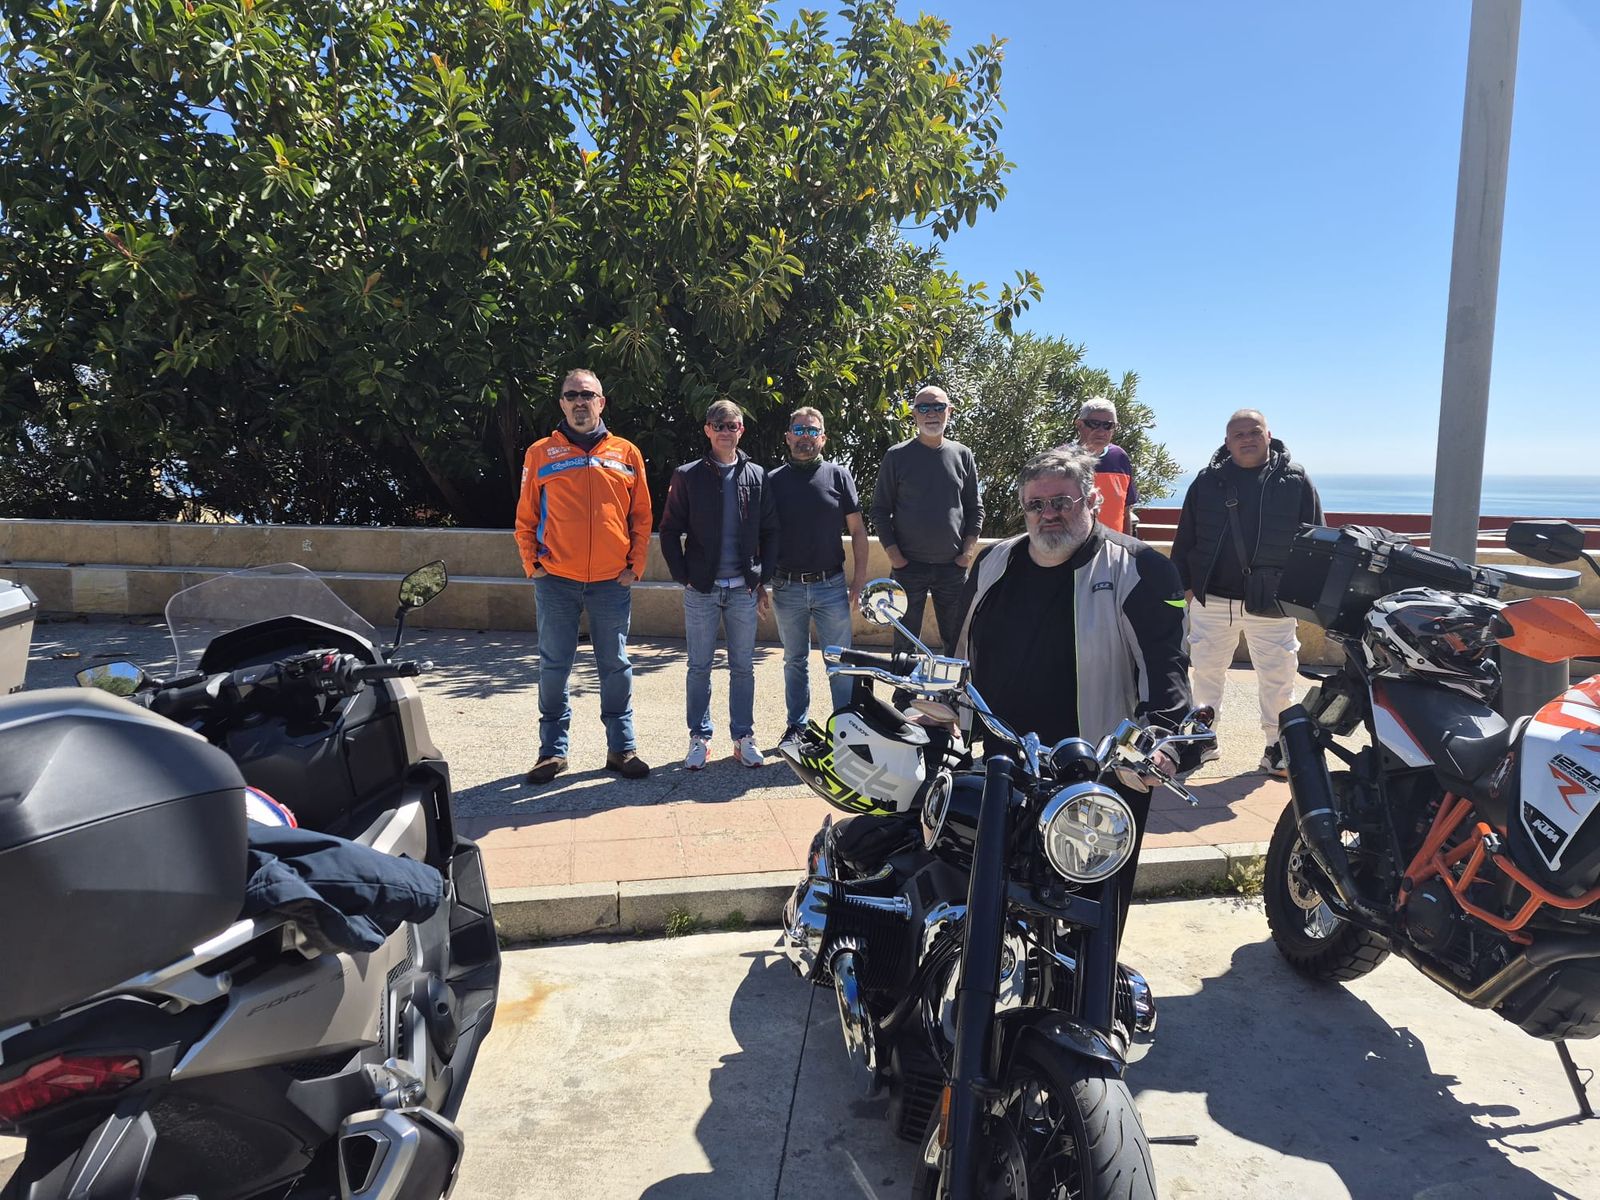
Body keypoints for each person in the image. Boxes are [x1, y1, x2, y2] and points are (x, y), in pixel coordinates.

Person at [954, 446, 1192, 926]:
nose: (1048, 514)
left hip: (1098, 772)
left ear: (1092, 501)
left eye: (1062, 501)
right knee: (992, 899)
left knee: (1090, 913)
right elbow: (959, 649)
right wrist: (937, 707)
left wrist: (1165, 741)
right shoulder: (994, 562)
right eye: (1036, 504)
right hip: (1004, 761)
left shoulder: (1140, 567)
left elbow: (1166, 669)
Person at [513, 369, 653, 785]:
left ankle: (622, 748)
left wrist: (635, 565)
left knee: (616, 665)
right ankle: (552, 753)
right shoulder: (540, 453)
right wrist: (533, 566)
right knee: (555, 667)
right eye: (571, 394)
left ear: (601, 402)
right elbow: (525, 517)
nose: (579, 401)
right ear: (561, 403)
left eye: (587, 394)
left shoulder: (626, 452)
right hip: (556, 580)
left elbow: (641, 516)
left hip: (612, 582)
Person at [1170, 409, 1323, 778]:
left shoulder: (1295, 480)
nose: (1247, 439)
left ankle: (1276, 746)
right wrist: (1182, 590)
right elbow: (1186, 536)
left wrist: (1305, 595)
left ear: (1268, 435)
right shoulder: (1207, 481)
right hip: (1212, 597)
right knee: (1206, 673)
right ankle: (1203, 739)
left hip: (1273, 601)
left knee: (1278, 677)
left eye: (1254, 432)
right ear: (1227, 442)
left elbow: (1315, 540)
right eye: (1238, 434)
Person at [659, 400, 780, 770]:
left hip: (743, 589)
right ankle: (699, 737)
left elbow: (770, 530)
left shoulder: (757, 475)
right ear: (708, 430)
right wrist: (684, 576)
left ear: (741, 430)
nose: (726, 431)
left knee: (743, 667)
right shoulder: (687, 475)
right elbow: (669, 530)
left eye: (733, 425)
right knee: (699, 667)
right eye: (719, 425)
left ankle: (743, 737)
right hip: (702, 589)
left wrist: (760, 577)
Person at [767, 407, 871, 747]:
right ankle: (797, 727)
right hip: (786, 586)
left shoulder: (839, 476)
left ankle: (845, 730)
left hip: (831, 586)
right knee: (794, 661)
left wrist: (859, 580)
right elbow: (761, 534)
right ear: (788, 437)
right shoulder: (773, 481)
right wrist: (758, 581)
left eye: (812, 431)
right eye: (799, 430)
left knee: (839, 662)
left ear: (823, 438)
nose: (805, 437)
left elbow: (858, 531)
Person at [868, 386, 983, 654]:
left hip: (952, 569)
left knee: (957, 644)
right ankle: (904, 684)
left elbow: (975, 508)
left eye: (938, 407)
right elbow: (880, 510)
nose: (931, 413)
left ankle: (954, 684)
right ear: (914, 414)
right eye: (924, 408)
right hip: (908, 568)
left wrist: (966, 554)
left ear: (949, 411)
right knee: (904, 647)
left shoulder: (963, 454)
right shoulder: (896, 456)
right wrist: (896, 558)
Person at [1068, 397, 1139, 535]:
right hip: (1072, 545)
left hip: (1113, 545)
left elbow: (1125, 511)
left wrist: (1127, 545)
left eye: (1108, 425)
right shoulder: (1062, 458)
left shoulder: (1120, 458)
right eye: (1094, 424)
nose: (1101, 431)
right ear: (1079, 424)